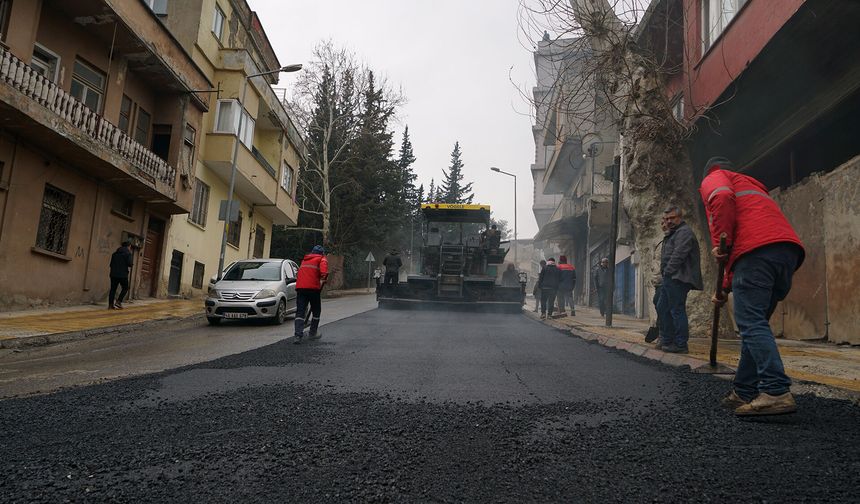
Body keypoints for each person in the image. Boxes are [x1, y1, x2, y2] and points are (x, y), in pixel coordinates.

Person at [700, 156, 804, 416]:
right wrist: (723, 288)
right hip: (786, 254)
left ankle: (776, 391)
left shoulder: (715, 177)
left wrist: (719, 243)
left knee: (751, 323)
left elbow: (721, 199)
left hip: (757, 252)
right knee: (754, 323)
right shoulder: (752, 186)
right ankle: (744, 390)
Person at [657, 206, 703, 354]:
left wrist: (668, 272)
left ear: (680, 217)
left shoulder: (684, 232)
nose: (669, 221)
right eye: (667, 219)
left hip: (678, 278)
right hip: (670, 278)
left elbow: (678, 255)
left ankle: (681, 344)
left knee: (677, 309)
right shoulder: (674, 233)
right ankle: (666, 339)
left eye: (672, 218)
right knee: (662, 307)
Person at [294, 245, 328, 344]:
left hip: (300, 288)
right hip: (313, 289)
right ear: (322, 253)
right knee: (316, 310)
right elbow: (324, 272)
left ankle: (297, 335)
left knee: (300, 312)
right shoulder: (322, 259)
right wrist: (323, 279)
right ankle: (312, 333)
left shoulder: (305, 259)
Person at [646, 217, 671, 345]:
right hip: (658, 280)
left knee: (662, 306)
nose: (663, 225)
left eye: (666, 222)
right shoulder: (660, 240)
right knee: (658, 304)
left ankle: (665, 335)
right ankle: (662, 333)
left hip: (666, 280)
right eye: (662, 223)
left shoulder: (672, 239)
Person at [108, 241, 133, 309]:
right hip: (123, 275)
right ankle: (119, 301)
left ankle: (110, 305)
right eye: (130, 247)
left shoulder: (114, 254)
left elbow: (111, 264)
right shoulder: (128, 253)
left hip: (113, 274)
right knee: (125, 288)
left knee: (113, 289)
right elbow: (130, 264)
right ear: (129, 246)